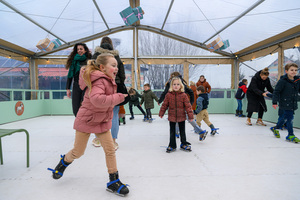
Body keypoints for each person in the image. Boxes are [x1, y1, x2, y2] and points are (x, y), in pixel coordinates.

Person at [47, 53, 129, 196]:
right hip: (87, 120)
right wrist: (119, 97)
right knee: (78, 152)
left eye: (117, 65)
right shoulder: (98, 80)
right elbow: (97, 100)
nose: (116, 68)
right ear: (102, 67)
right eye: (113, 65)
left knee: (110, 150)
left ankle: (113, 181)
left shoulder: (109, 80)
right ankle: (64, 161)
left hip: (101, 120)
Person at [92, 36, 128, 150]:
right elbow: (121, 72)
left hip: (99, 85)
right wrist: (120, 82)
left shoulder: (96, 55)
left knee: (98, 113)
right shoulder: (115, 56)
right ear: (111, 44)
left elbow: (90, 70)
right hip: (114, 86)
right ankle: (112, 141)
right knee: (114, 115)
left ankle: (98, 139)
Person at [159, 77, 194, 153]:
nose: (176, 86)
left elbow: (188, 106)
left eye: (178, 84)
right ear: (171, 86)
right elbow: (164, 105)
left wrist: (190, 116)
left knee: (182, 131)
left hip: (181, 116)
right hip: (172, 116)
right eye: (174, 84)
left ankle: (183, 144)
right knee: (172, 131)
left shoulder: (183, 95)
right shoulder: (168, 95)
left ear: (181, 86)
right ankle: (172, 145)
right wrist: (161, 112)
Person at [270, 63, 300, 143]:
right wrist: (274, 102)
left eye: (295, 70)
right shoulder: (282, 81)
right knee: (290, 119)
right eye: (292, 70)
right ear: (286, 71)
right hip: (284, 102)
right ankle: (290, 135)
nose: (294, 72)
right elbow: (276, 92)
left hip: (292, 103)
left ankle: (275, 128)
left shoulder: (297, 81)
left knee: (285, 118)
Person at [65, 43, 92, 116]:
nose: (79, 51)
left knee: (86, 106)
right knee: (75, 108)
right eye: (78, 49)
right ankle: (79, 121)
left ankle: (86, 123)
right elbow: (70, 75)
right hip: (76, 85)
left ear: (85, 50)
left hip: (87, 86)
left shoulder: (89, 60)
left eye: (81, 49)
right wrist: (68, 88)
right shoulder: (74, 61)